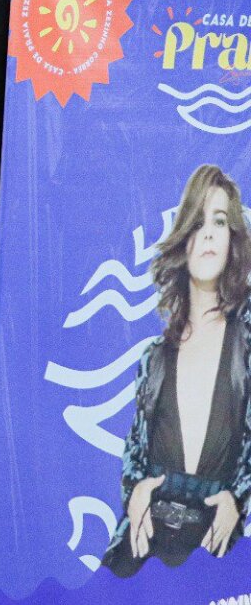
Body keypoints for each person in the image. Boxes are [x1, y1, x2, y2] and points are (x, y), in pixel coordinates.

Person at [101, 164, 251, 577]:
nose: (207, 233)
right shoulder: (154, 357)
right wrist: (135, 492)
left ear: (232, 239)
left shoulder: (248, 343)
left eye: (219, 222)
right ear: (183, 242)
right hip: (144, 541)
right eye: (197, 223)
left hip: (213, 546)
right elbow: (135, 448)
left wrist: (238, 498)